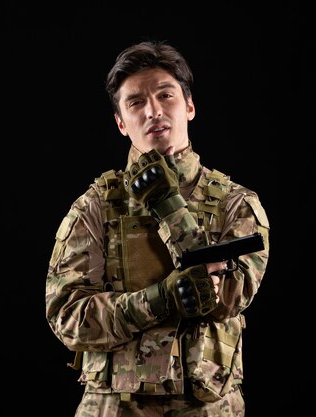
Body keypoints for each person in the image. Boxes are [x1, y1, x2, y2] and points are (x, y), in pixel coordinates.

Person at [45, 40, 270, 417]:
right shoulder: (96, 207)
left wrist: (168, 204)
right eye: (135, 102)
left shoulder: (236, 203)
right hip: (113, 407)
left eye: (166, 95)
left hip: (209, 408)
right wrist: (159, 300)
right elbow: (68, 319)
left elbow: (228, 299)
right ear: (121, 122)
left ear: (190, 106)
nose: (153, 110)